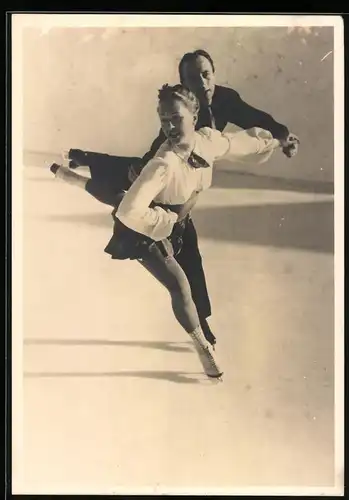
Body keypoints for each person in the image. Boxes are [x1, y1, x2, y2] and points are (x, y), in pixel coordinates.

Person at [55, 49, 300, 349]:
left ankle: (201, 319)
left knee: (185, 251)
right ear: (183, 85)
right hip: (169, 187)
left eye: (206, 74)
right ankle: (83, 166)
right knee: (128, 192)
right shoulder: (174, 125)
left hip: (193, 181)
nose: (203, 83)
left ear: (214, 74)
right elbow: (145, 167)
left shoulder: (224, 99)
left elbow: (253, 118)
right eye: (193, 79)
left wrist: (282, 135)